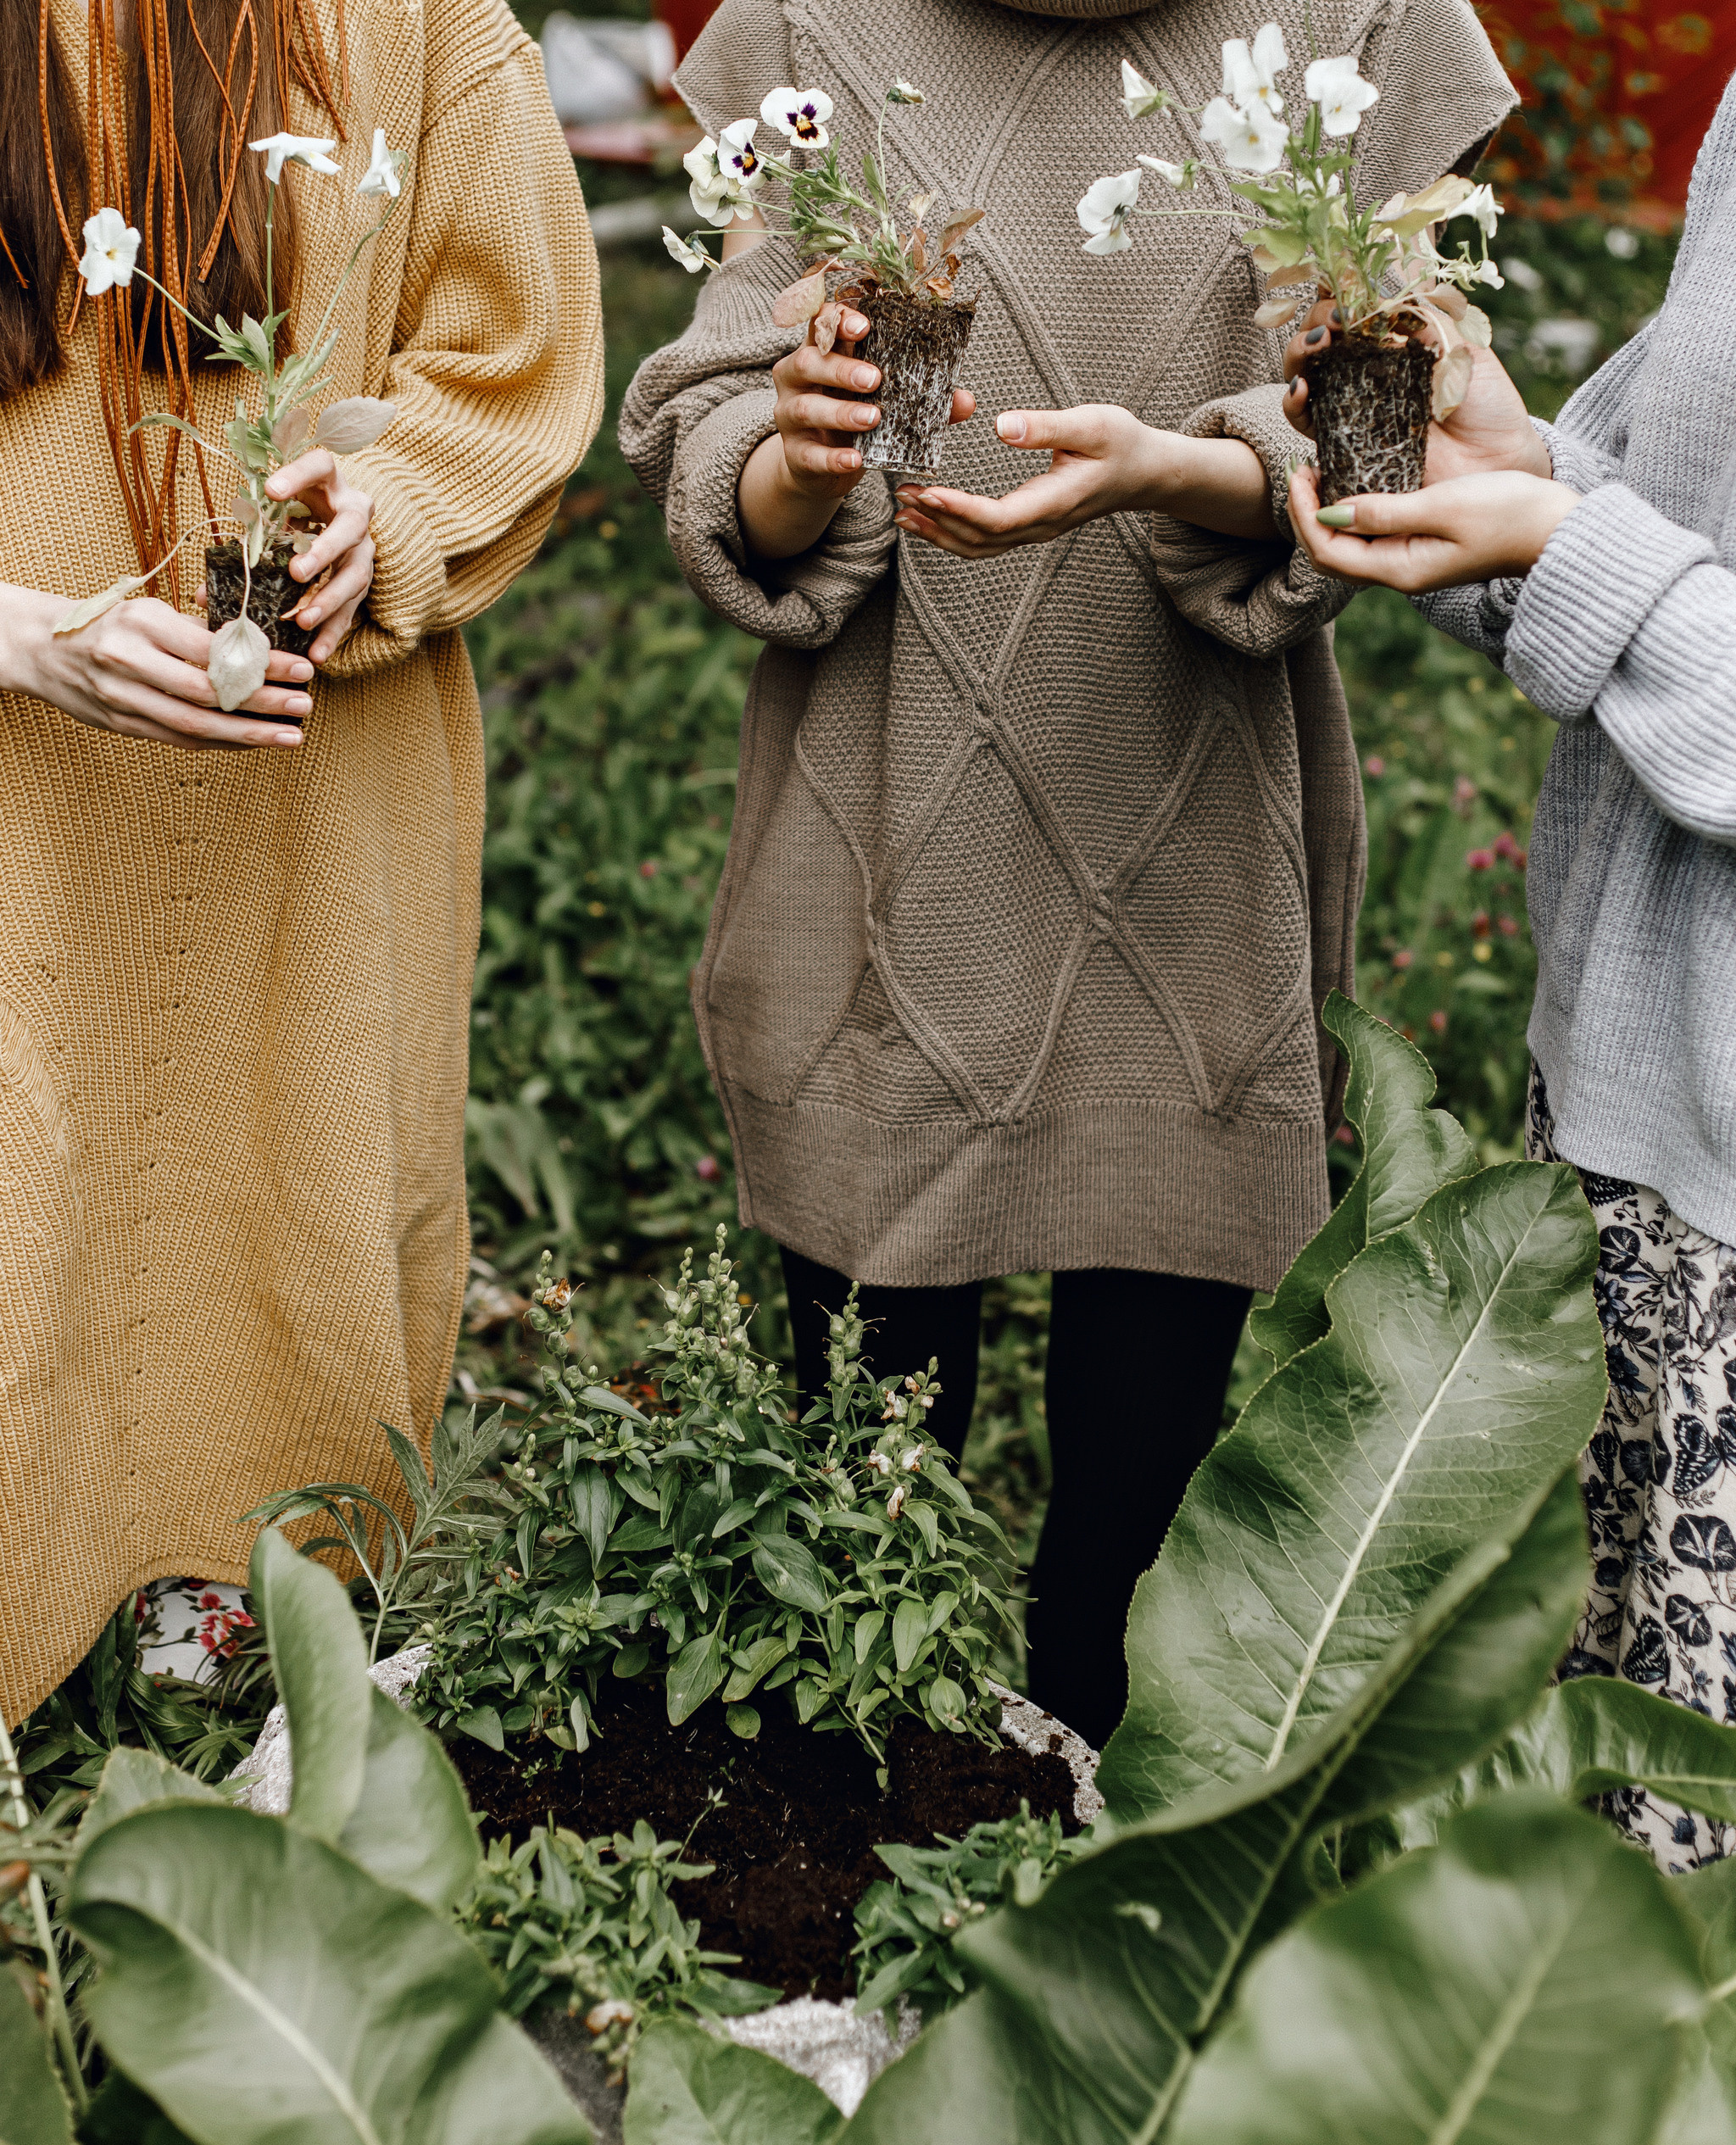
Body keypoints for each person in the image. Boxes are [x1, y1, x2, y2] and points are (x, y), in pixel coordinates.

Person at [620, 0, 1511, 1746]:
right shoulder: (818, 21)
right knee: (858, 1507)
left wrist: (1183, 470)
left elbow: (1404, 427)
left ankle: (1095, 1828)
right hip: (887, 848)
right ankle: (866, 1827)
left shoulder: (1358, 21)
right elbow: (719, 422)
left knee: (1131, 1528)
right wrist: (798, 454)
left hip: (1190, 840)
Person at [0, 0, 603, 1724]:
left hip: (307, 791)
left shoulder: (406, 17)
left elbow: (510, 354)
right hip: (17, 785)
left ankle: (237, 1605)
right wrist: (23, 633)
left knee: (281, 1174)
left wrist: (382, 519)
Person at [1284, 78, 1736, 1871]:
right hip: (1632, 1138)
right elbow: (1653, 536)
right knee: (1582, 1878)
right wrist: (1508, 462)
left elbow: (1614, 576)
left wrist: (1563, 541)